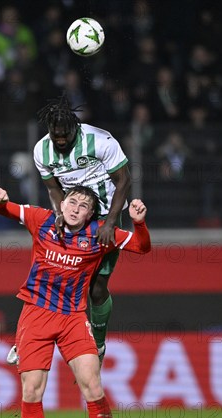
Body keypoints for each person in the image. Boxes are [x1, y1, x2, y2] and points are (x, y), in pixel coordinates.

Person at [0, 184, 151, 418]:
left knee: (93, 385)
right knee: (32, 391)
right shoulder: (41, 219)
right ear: (62, 204)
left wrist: (138, 222)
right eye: (72, 202)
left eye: (84, 206)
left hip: (73, 317)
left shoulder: (100, 235)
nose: (76, 208)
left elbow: (142, 248)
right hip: (35, 314)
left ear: (91, 213)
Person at [33, 94, 131, 364]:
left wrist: (111, 222)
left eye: (66, 135)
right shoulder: (42, 150)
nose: (61, 140)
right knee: (52, 275)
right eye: (56, 136)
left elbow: (123, 180)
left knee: (97, 288)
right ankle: (30, 337)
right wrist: (59, 214)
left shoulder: (100, 141)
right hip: (74, 215)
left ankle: (98, 343)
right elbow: (53, 188)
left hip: (104, 217)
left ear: (76, 128)